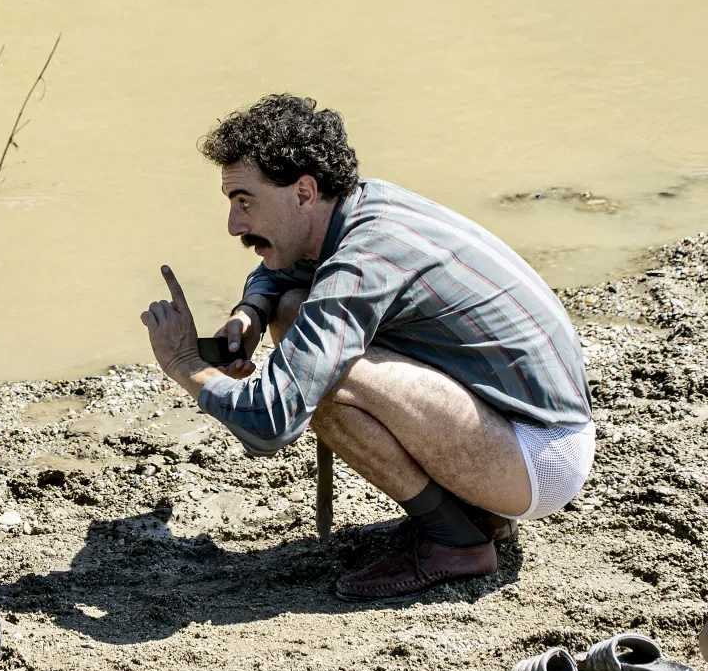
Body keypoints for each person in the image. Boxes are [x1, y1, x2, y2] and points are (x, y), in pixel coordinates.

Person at [140, 94, 594, 601]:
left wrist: (185, 364)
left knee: (319, 379)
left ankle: (457, 542)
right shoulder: (364, 205)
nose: (234, 225)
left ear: (304, 191)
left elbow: (269, 423)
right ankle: (473, 513)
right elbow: (281, 267)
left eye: (245, 201)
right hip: (521, 428)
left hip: (540, 458)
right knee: (292, 310)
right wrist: (252, 310)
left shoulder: (361, 260)